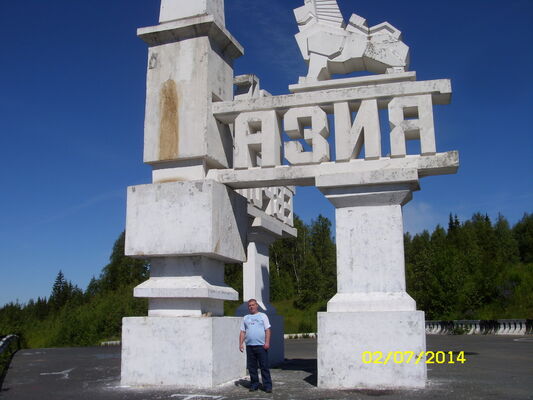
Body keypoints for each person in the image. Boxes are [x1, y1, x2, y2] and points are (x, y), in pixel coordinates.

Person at [239, 298, 272, 393]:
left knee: (264, 366)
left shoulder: (263, 316)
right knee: (252, 367)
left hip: (261, 346)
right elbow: (242, 332)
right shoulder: (246, 318)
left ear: (257, 305)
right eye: (249, 305)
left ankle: (267, 386)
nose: (251, 307)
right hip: (250, 346)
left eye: (253, 305)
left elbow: (267, 330)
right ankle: (254, 384)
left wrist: (267, 342)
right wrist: (240, 344)